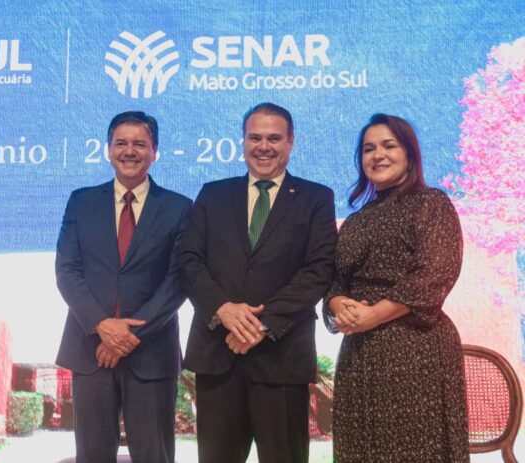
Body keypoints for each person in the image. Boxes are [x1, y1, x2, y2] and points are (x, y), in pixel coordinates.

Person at [180, 102, 338, 463]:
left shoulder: (316, 198)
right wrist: (223, 309)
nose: (263, 146)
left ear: (291, 142)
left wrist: (260, 324)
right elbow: (188, 261)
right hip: (218, 354)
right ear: (243, 141)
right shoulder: (212, 194)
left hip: (281, 358)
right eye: (255, 138)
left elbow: (318, 270)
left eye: (274, 138)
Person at [324, 113, 469, 462]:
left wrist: (374, 315)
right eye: (368, 149)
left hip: (417, 351)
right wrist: (339, 304)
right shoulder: (355, 221)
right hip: (361, 356)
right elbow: (334, 282)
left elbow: (434, 274)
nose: (378, 155)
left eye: (389, 146)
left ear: (409, 153)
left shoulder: (431, 203)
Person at [55, 111, 191, 463]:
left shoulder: (179, 208)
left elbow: (178, 280)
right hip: (91, 350)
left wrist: (128, 335)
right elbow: (67, 271)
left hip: (151, 353)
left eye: (140, 144)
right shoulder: (81, 202)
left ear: (155, 151)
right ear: (108, 149)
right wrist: (102, 326)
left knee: (154, 455)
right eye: (121, 143)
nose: (130, 151)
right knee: (92, 455)